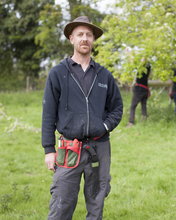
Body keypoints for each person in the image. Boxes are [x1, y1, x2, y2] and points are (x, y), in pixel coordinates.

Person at [42, 16, 123, 220]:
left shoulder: (104, 75)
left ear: (93, 39)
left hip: (99, 147)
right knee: (61, 203)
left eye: (89, 35)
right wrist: (49, 150)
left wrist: (104, 125)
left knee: (96, 203)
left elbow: (117, 108)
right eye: (80, 35)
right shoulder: (58, 73)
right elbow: (48, 113)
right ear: (71, 39)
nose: (84, 39)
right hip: (69, 147)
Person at [126, 59, 151, 127]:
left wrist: (127, 52)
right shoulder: (148, 67)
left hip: (139, 89)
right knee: (143, 106)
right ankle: (144, 121)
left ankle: (131, 122)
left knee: (132, 106)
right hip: (145, 89)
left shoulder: (140, 67)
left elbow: (132, 62)